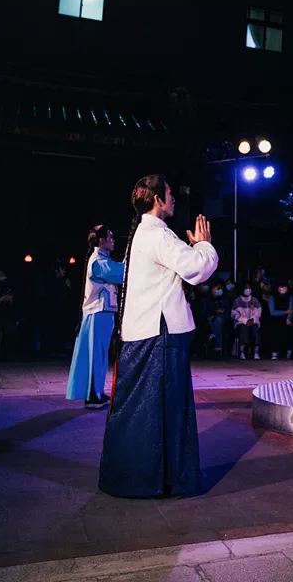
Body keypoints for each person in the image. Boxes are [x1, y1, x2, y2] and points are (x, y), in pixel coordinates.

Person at [99, 175, 217, 498]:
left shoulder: (142, 233)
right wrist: (204, 245)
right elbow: (197, 269)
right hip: (159, 334)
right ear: (156, 200)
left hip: (143, 332)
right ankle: (166, 479)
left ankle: (134, 477)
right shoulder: (158, 234)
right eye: (169, 193)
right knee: (167, 408)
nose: (174, 198)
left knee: (141, 408)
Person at [67, 225, 124, 409]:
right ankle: (92, 395)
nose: (113, 240)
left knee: (100, 354)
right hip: (97, 312)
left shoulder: (102, 260)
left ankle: (97, 391)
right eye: (110, 237)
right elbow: (120, 273)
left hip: (103, 312)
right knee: (95, 355)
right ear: (101, 240)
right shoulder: (99, 261)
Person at [231, 285, 262, 359]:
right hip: (241, 322)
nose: (248, 290)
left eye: (249, 288)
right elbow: (234, 314)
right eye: (246, 288)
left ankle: (256, 352)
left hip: (253, 322)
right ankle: (242, 352)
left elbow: (258, 312)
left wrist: (252, 320)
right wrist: (245, 320)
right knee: (243, 329)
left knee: (255, 330)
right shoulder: (237, 301)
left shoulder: (254, 300)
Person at [268, 282, 293, 359]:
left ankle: (288, 353)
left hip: (286, 319)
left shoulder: (290, 297)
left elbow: (291, 309)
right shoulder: (272, 297)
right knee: (276, 335)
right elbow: (272, 312)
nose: (283, 289)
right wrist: (285, 312)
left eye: (284, 288)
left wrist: (288, 318)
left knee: (288, 334)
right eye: (281, 287)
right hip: (275, 319)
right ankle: (274, 353)